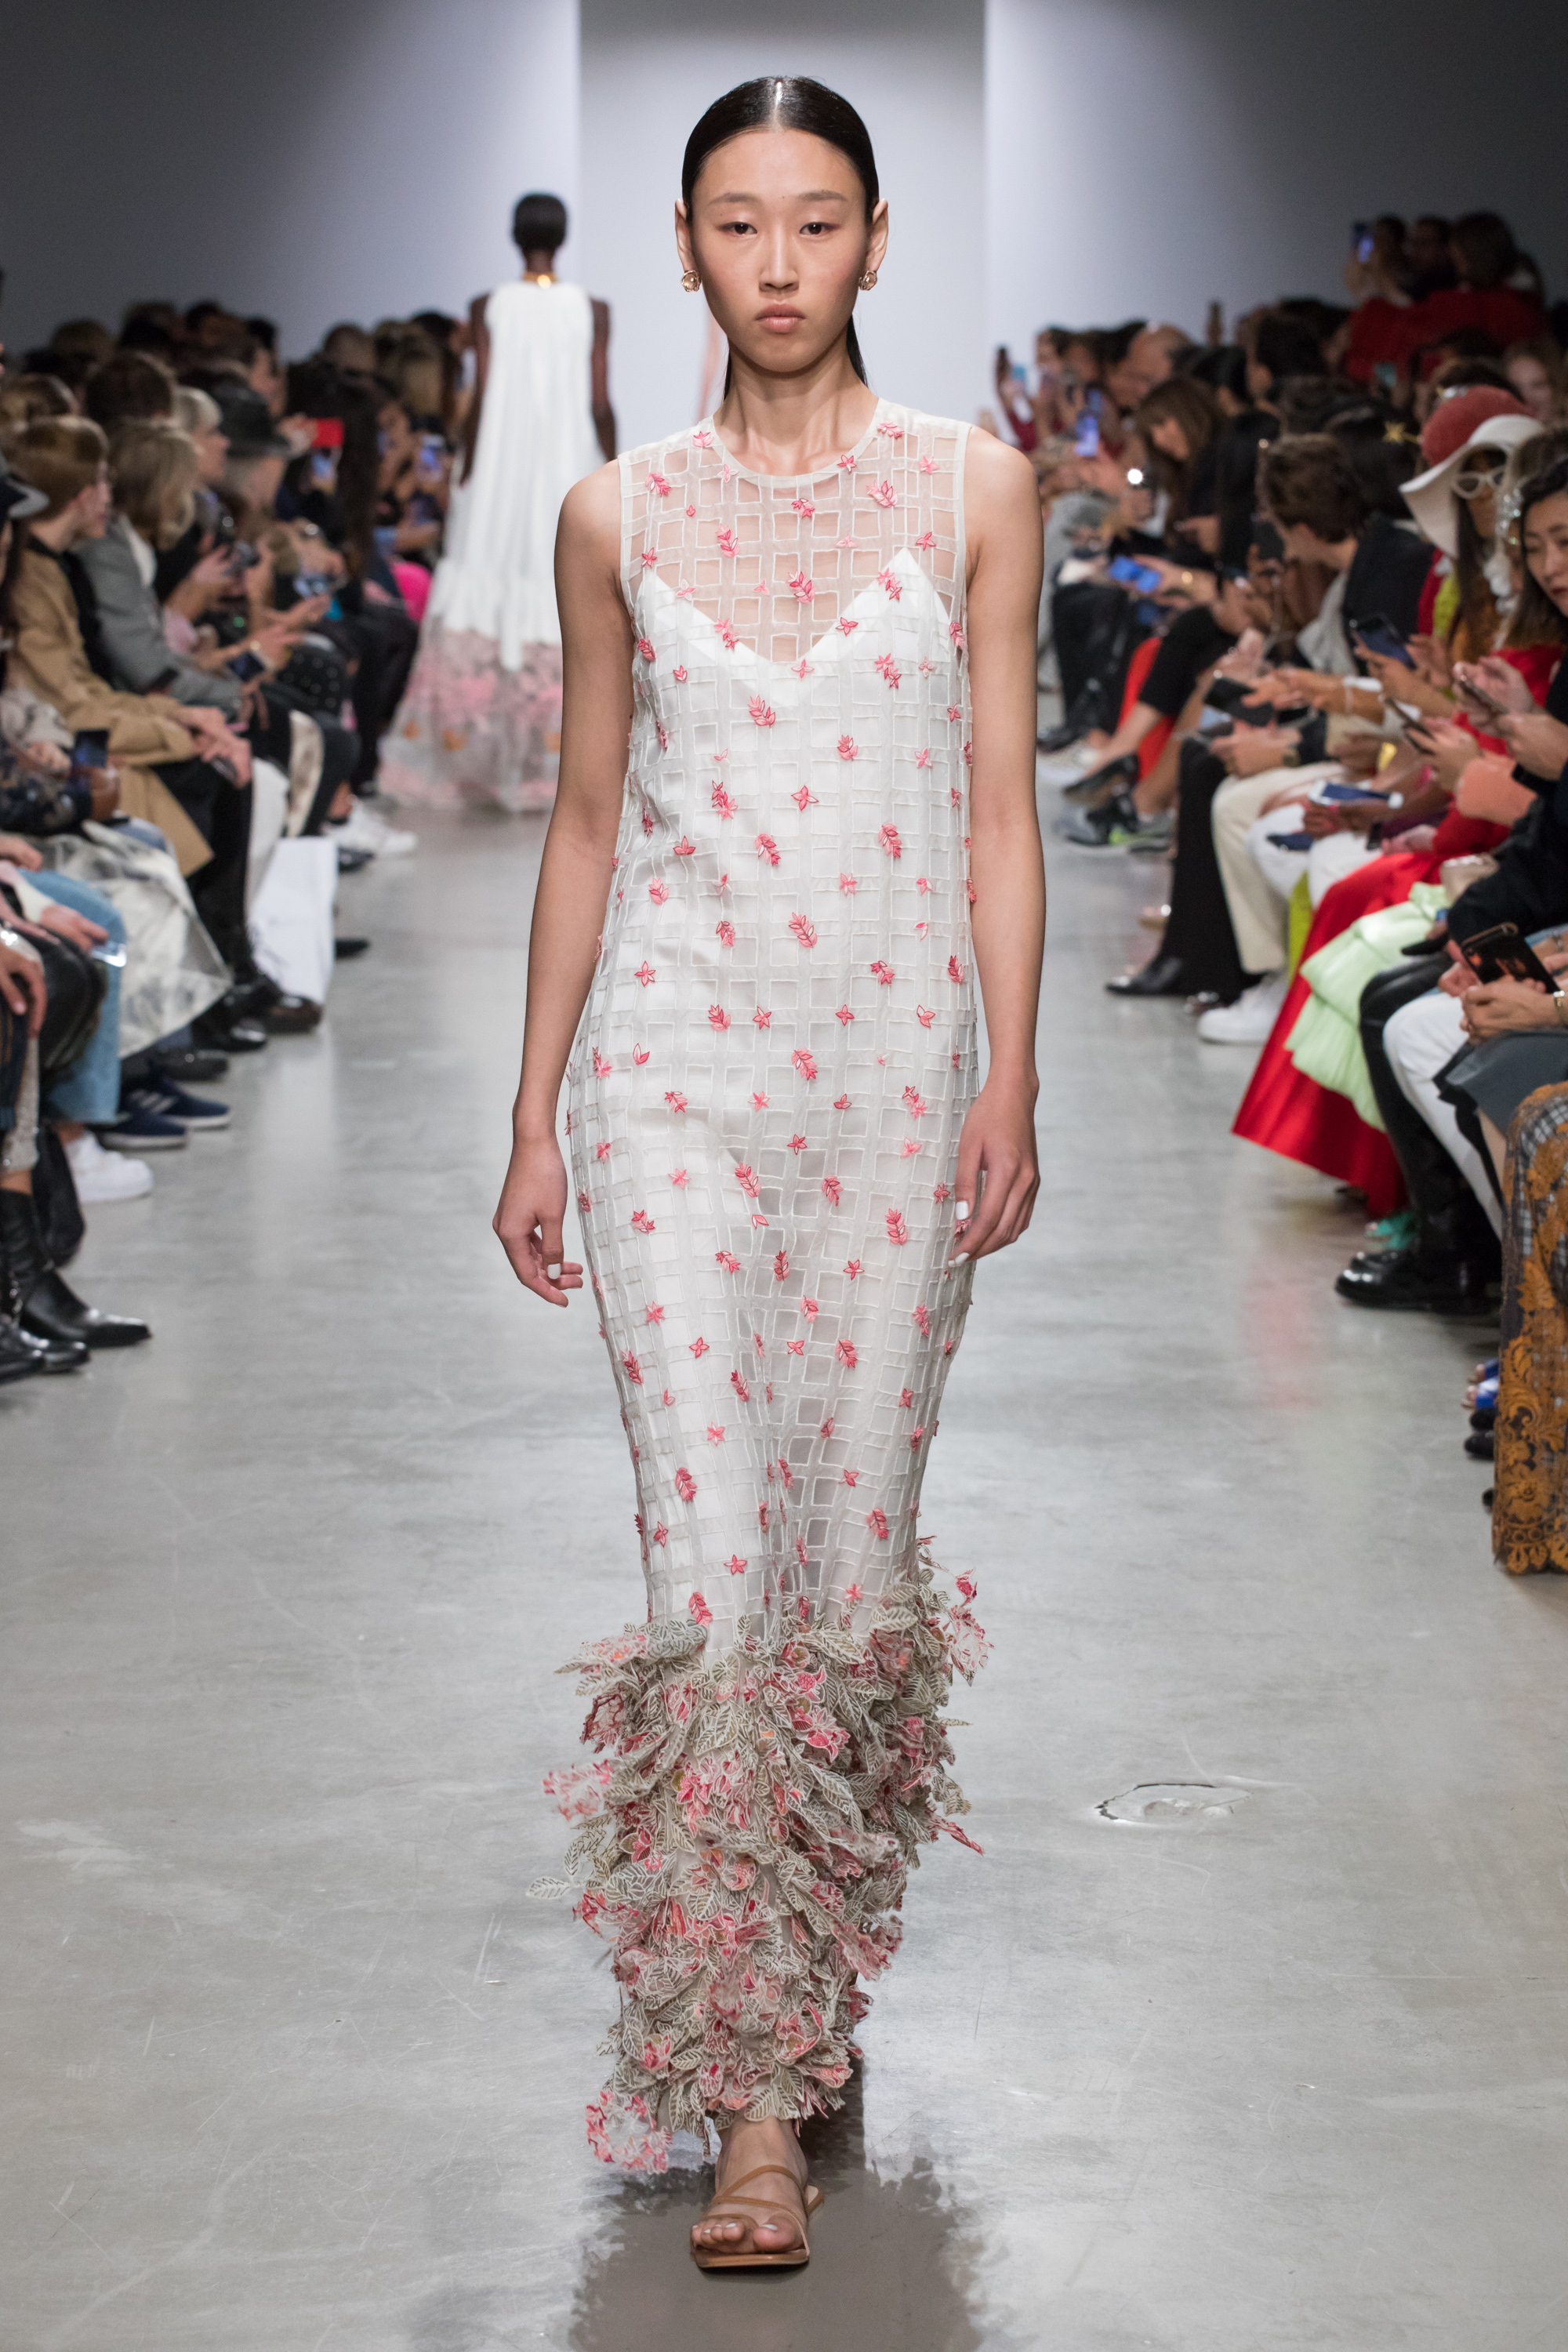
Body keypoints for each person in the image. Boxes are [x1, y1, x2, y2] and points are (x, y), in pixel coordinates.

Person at [491, 74, 1044, 2267]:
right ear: (685, 246)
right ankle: (744, 2096)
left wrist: (1012, 1078)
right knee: (715, 1583)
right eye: (740, 222)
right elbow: (586, 816)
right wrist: (534, 1108)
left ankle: (809, 1960)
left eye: (818, 220)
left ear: (876, 241)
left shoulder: (974, 487)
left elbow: (997, 806)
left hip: (898, 1080)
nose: (782, 261)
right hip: (671, 1081)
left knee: (848, 1565)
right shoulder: (612, 513)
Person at [384, 192, 616, 811]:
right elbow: (599, 402)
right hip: (567, 460)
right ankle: (558, 759)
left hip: (502, 466)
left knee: (490, 577)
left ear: (515, 236)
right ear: (563, 236)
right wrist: (615, 465)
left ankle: (481, 754)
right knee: (561, 581)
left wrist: (468, 463)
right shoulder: (592, 309)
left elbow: (484, 393)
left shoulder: (488, 306)